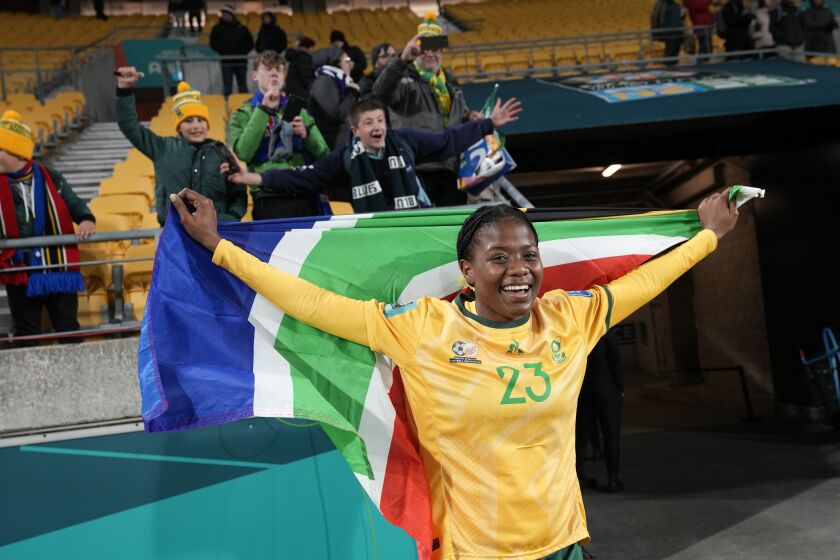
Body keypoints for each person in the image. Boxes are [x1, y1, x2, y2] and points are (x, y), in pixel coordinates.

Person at [169, 182, 739, 560]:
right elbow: (314, 305)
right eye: (500, 257)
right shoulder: (422, 329)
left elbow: (644, 282)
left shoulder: (572, 317)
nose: (520, 271)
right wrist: (218, 245)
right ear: (467, 270)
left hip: (564, 546)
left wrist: (709, 235)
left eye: (529, 256)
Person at [223, 97, 520, 213]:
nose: (378, 127)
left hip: (417, 221)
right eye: (369, 123)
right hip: (376, 232)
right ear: (356, 131)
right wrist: (252, 177)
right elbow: (305, 177)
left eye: (380, 121)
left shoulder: (404, 141)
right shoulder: (345, 157)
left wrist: (488, 124)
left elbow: (447, 140)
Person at [0, 110, 95, 344]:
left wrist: (86, 219)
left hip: (57, 266)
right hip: (20, 269)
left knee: (67, 327)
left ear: (16, 151)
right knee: (26, 332)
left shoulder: (50, 176)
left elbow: (75, 205)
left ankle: (76, 376)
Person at [373, 13, 481, 207]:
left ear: (442, 52)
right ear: (416, 51)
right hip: (416, 170)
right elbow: (381, 92)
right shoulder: (404, 80)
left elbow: (454, 114)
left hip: (450, 171)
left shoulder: (450, 83)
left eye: (435, 49)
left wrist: (468, 116)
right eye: (425, 49)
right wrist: (402, 59)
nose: (430, 54)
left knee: (453, 230)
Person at [115, 67, 246, 225]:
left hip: (217, 230)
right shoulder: (162, 148)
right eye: (188, 121)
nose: (196, 126)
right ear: (178, 127)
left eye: (200, 120)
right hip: (176, 230)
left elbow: (238, 191)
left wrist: (231, 217)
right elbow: (129, 126)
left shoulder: (221, 151)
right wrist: (124, 90)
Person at [229, 50, 330, 220]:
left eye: (279, 69)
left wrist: (306, 135)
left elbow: (324, 154)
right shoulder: (243, 114)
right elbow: (244, 153)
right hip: (269, 195)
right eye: (268, 69)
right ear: (254, 75)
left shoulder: (300, 111)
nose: (274, 73)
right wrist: (263, 110)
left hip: (304, 190)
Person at [576, 328, 625, 493]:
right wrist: (620, 387)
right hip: (607, 390)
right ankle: (613, 478)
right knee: (611, 435)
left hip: (584, 391)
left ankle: (579, 476)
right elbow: (615, 362)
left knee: (580, 437)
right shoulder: (607, 332)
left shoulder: (580, 333)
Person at [309, 48, 360, 149]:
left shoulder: (335, 82)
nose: (351, 64)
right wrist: (352, 93)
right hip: (329, 145)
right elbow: (336, 113)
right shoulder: (324, 81)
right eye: (347, 60)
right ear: (336, 62)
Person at [209, 4, 254, 97]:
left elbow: (250, 42)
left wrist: (243, 52)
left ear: (231, 15)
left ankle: (245, 107)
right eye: (223, 14)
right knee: (227, 86)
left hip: (241, 61)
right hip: (226, 61)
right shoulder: (217, 29)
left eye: (226, 14)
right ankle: (227, 108)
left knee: (243, 86)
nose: (224, 16)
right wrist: (222, 51)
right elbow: (213, 43)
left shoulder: (242, 28)